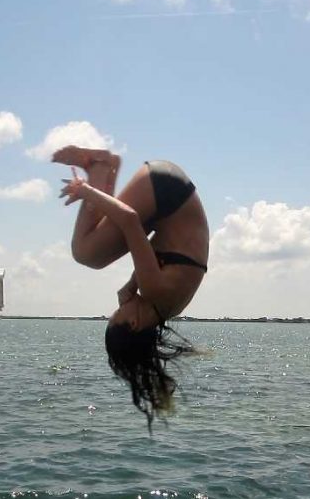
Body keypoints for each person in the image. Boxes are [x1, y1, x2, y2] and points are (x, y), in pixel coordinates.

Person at [53, 146, 209, 429]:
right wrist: (83, 191)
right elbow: (128, 220)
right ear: (135, 323)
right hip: (165, 187)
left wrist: (130, 284)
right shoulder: (154, 291)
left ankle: (101, 168)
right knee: (85, 252)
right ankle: (100, 169)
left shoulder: (165, 306)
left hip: (170, 199)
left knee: (96, 254)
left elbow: (156, 247)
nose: (121, 305)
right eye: (120, 313)